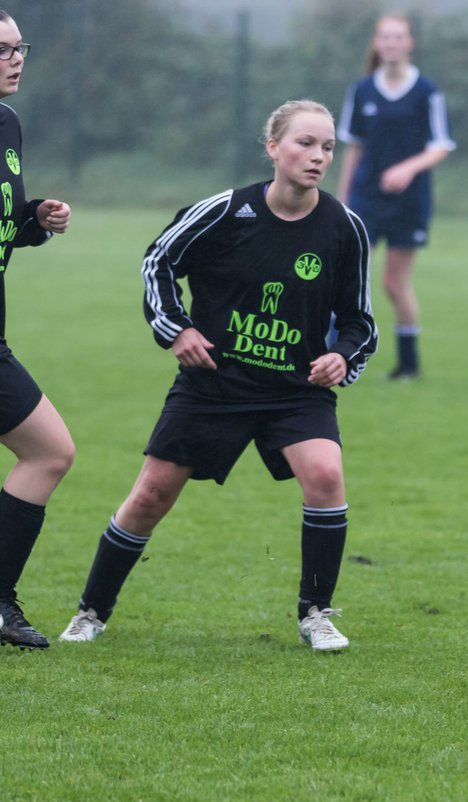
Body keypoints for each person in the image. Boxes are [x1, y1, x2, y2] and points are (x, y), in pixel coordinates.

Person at [58, 100, 377, 651]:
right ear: (273, 147)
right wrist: (176, 329)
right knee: (152, 493)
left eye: (328, 146)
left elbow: (360, 321)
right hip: (214, 385)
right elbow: (158, 261)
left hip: (293, 392)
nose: (319, 156)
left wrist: (343, 357)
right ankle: (91, 611)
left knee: (325, 476)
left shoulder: (344, 228)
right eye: (305, 143)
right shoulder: (225, 212)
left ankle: (316, 614)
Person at [0, 10, 74, 650]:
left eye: (20, 46)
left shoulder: (7, 124)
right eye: (3, 49)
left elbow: (3, 231)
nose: (16, 57)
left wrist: (34, 219)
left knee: (50, 451)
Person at [337, 12, 454, 380]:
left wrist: (407, 168)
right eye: (384, 37)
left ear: (409, 43)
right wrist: (342, 199)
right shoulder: (361, 90)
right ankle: (333, 354)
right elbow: (353, 148)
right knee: (348, 276)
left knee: (394, 283)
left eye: (397, 37)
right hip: (365, 199)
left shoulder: (427, 91)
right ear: (376, 43)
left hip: (409, 202)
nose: (390, 43)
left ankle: (408, 364)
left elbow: (440, 145)